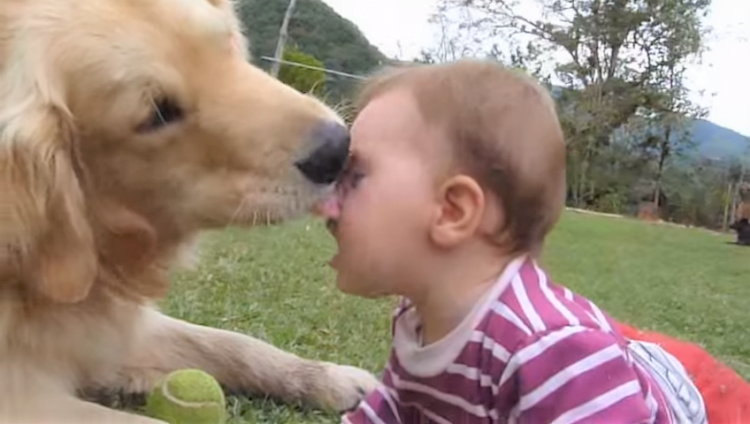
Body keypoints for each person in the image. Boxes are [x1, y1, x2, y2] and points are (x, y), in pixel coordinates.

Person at [314, 59, 714, 423]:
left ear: (453, 210)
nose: (324, 204)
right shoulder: (417, 317)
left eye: (355, 175)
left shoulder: (553, 350)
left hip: (661, 394)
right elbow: (396, 407)